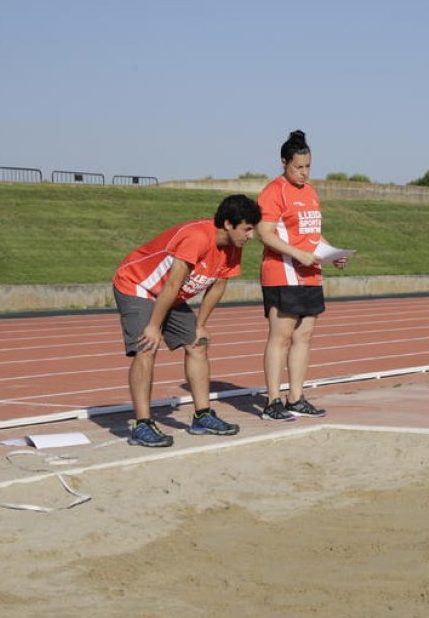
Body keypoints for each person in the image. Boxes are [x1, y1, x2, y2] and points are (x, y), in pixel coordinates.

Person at [113, 194, 261, 447]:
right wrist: (153, 326)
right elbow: (172, 283)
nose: (251, 236)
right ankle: (142, 424)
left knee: (198, 343)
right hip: (138, 285)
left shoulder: (233, 248)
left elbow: (217, 287)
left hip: (170, 294)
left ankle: (202, 416)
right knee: (147, 347)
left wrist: (201, 324)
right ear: (228, 224)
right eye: (247, 229)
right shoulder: (197, 237)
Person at [256, 130, 349, 421]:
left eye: (308, 166)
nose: (304, 173)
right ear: (284, 163)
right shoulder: (274, 191)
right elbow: (264, 233)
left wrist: (332, 252)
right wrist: (296, 254)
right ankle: (273, 401)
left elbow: (312, 233)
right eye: (298, 167)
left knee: (304, 336)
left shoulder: (310, 192)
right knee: (280, 336)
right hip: (283, 273)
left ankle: (296, 396)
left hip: (311, 273)